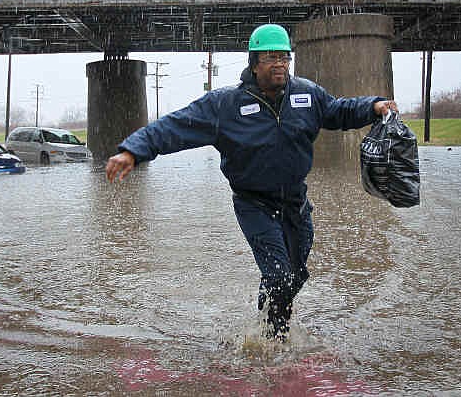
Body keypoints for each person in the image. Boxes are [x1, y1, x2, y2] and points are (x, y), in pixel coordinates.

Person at [105, 24, 397, 342]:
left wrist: (373, 106)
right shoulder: (225, 105)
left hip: (296, 203)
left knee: (295, 275)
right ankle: (274, 341)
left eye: (284, 57)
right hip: (254, 204)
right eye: (271, 57)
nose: (280, 64)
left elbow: (338, 111)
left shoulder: (307, 94)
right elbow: (175, 126)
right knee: (280, 278)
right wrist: (133, 150)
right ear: (254, 62)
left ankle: (265, 323)